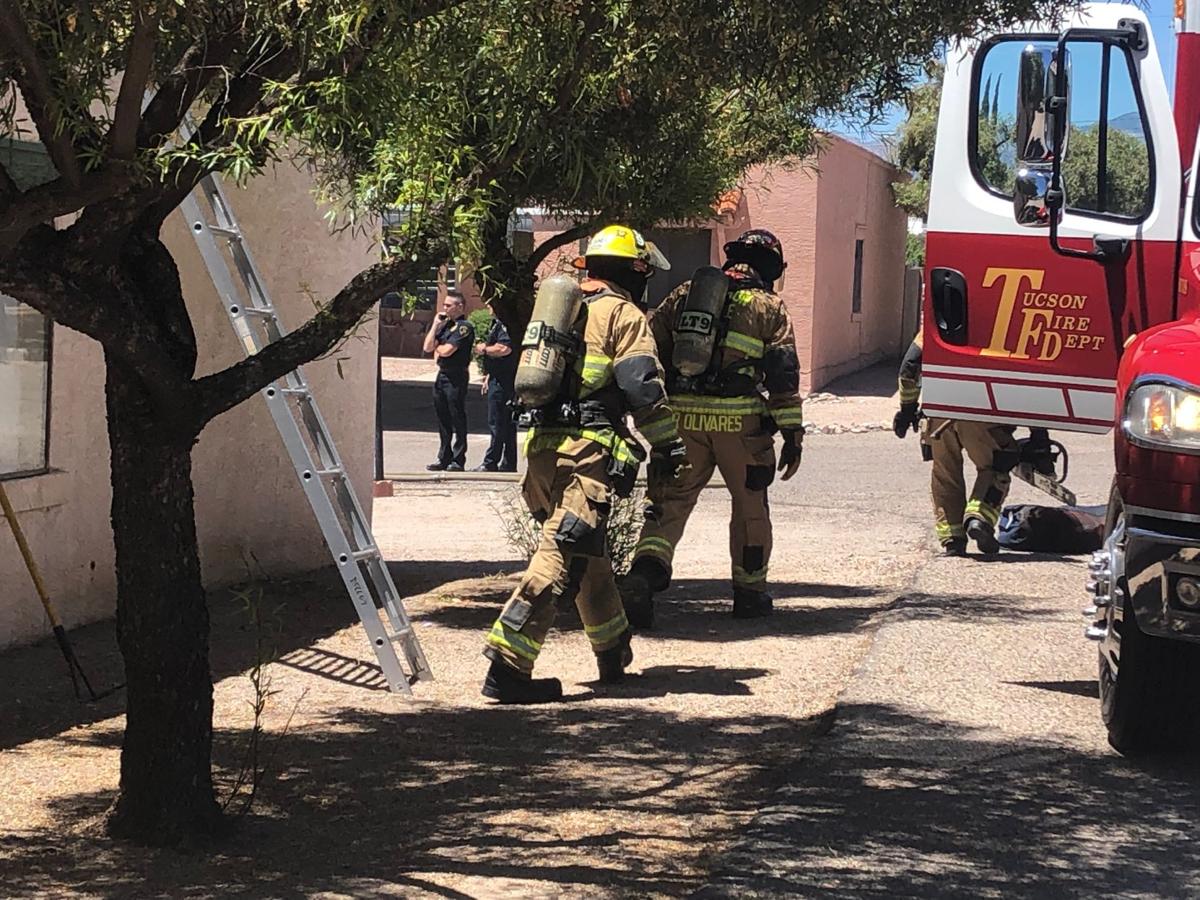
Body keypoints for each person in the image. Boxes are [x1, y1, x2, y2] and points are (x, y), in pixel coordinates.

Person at [481, 225, 688, 704]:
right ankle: (507, 666)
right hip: (584, 454)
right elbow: (641, 387)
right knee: (558, 556)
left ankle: (612, 650)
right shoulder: (622, 314)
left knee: (586, 556)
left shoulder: (563, 310)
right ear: (634, 271)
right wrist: (668, 446)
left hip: (541, 453)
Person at [620, 229, 804, 627]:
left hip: (683, 419)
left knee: (668, 504)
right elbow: (783, 373)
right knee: (750, 508)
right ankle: (749, 594)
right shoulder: (769, 306)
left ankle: (643, 578)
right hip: (741, 424)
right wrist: (793, 433)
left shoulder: (684, 294)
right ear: (771, 268)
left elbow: (651, 348)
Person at [893, 331, 1017, 555]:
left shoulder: (939, 324)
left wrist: (907, 409)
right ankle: (979, 516)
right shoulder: (1003, 323)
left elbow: (909, 366)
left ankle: (952, 538)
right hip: (981, 412)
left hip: (939, 414)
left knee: (945, 472)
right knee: (996, 465)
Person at [423, 292, 474, 471]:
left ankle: (458, 459)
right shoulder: (445, 326)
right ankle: (444, 457)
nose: (444, 308)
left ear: (459, 307)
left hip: (456, 376)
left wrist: (438, 348)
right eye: (444, 305)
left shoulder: (464, 327)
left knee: (457, 416)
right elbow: (427, 347)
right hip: (442, 375)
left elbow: (447, 351)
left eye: (448, 305)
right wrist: (435, 325)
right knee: (443, 417)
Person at [473, 314, 518, 472]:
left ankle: (490, 462)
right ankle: (508, 463)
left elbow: (504, 349)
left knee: (497, 423)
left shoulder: (505, 324)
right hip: (499, 378)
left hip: (503, 382)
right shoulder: (499, 323)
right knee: (507, 424)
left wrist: (484, 349)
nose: (488, 307)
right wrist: (489, 375)